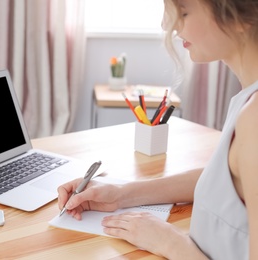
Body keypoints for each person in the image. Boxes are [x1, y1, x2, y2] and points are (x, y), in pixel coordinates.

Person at [57, 0, 258, 259]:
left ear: (241, 17)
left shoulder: (254, 118)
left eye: (183, 12)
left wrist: (172, 243)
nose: (167, 24)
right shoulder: (248, 100)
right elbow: (223, 179)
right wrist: (120, 194)